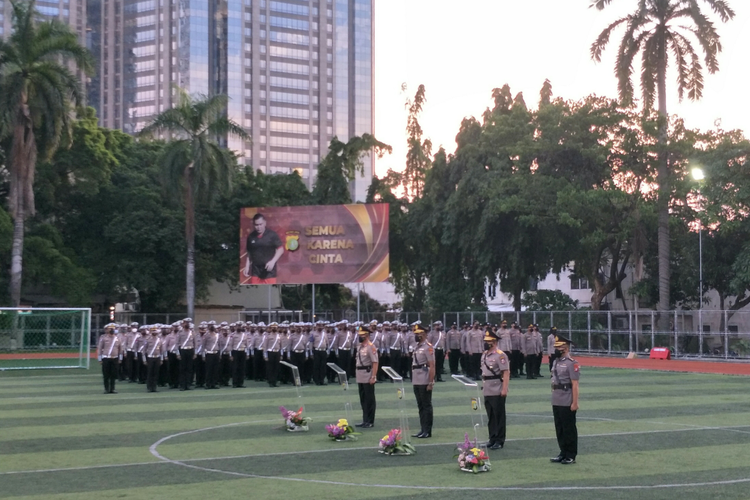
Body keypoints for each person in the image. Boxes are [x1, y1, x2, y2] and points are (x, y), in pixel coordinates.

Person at [550, 333, 580, 465]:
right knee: (559, 428)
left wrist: (574, 402)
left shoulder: (571, 363)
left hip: (567, 398)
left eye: (559, 346)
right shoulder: (556, 362)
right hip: (556, 398)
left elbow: (575, 384)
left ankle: (571, 454)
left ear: (566, 348)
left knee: (569, 428)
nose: (556, 349)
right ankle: (563, 452)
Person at [480, 328, 509, 449]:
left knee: (499, 416)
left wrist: (504, 389)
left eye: (488, 341)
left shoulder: (500, 355)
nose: (486, 343)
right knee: (490, 415)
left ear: (494, 342)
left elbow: (506, 373)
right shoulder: (484, 354)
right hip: (487, 388)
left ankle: (499, 440)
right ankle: (492, 438)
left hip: (497, 387)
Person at [243, 213, 284, 284]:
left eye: (260, 224)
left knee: (269, 290)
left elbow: (281, 249)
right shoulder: (251, 237)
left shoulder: (272, 235)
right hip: (255, 272)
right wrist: (247, 266)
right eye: (256, 225)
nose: (259, 227)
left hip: (269, 273)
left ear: (265, 223)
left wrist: (272, 261)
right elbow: (249, 253)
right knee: (256, 291)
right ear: (254, 225)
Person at [411, 323, 435, 438]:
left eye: (418, 333)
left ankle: (427, 430)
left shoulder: (428, 347)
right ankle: (422, 429)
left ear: (424, 334)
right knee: (420, 406)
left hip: (424, 379)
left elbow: (432, 365)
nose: (416, 335)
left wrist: (431, 382)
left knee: (426, 405)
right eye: (415, 333)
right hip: (416, 378)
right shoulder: (417, 346)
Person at [354, 325, 378, 428]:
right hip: (360, 374)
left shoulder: (370, 346)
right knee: (363, 399)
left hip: (368, 374)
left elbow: (375, 362)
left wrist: (373, 376)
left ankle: (370, 421)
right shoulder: (359, 346)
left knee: (369, 399)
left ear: (367, 335)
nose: (360, 337)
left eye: (362, 335)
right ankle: (365, 420)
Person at [96, 323, 122, 394]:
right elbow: (100, 348)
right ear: (107, 330)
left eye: (113, 328)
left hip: (115, 358)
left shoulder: (118, 338)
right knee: (106, 374)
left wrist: (120, 358)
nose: (112, 330)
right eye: (110, 329)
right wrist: (99, 359)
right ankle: (106, 389)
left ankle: (112, 389)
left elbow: (120, 349)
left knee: (113, 374)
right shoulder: (103, 338)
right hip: (106, 358)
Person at [143, 325, 165, 393]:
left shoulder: (159, 340)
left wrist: (161, 359)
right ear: (150, 331)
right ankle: (149, 387)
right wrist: (144, 359)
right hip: (150, 357)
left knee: (156, 373)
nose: (154, 332)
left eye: (155, 331)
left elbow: (161, 351)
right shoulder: (147, 339)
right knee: (150, 373)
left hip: (157, 357)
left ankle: (154, 387)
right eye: (153, 331)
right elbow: (144, 351)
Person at [176, 318, 196, 391]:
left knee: (189, 368)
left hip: (190, 350)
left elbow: (195, 343)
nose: (187, 324)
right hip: (183, 350)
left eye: (188, 323)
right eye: (186, 323)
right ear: (183, 324)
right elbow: (177, 343)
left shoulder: (192, 332)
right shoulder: (180, 332)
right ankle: (182, 385)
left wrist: (195, 353)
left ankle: (188, 384)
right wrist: (178, 354)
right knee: (182, 368)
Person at [203, 323, 221, 389]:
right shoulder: (206, 335)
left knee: (215, 369)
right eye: (210, 326)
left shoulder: (217, 335)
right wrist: (203, 355)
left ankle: (214, 383)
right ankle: (208, 384)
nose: (212, 327)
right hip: (209, 353)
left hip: (216, 353)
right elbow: (203, 345)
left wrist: (219, 354)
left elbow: (219, 345)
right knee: (209, 369)